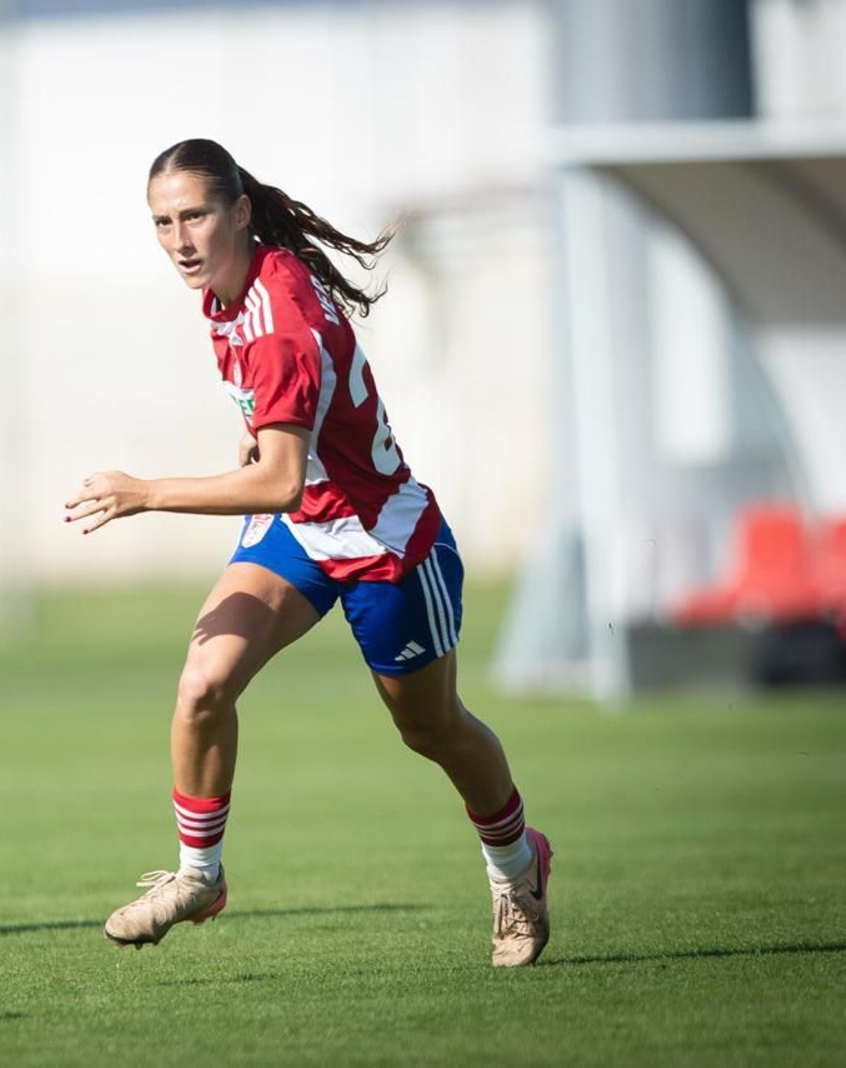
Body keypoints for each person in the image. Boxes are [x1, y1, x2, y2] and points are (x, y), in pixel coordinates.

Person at [64, 139, 551, 967]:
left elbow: (280, 481)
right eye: (163, 222)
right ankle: (198, 876)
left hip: (382, 540)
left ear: (240, 212)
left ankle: (516, 864)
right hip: (299, 533)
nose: (180, 238)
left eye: (196, 216)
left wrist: (145, 492)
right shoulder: (229, 291)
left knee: (430, 729)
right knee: (203, 683)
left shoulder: (276, 322)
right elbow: (282, 459)